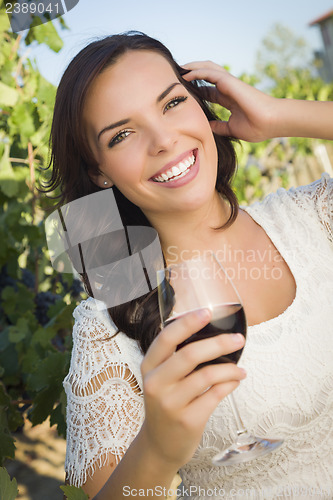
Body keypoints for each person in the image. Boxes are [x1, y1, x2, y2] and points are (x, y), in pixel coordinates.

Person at [46, 32, 333, 499]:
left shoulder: (314, 217)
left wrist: (280, 114)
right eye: (122, 134)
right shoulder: (108, 326)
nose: (163, 140)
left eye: (172, 103)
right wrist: (157, 451)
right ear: (99, 171)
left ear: (201, 105)